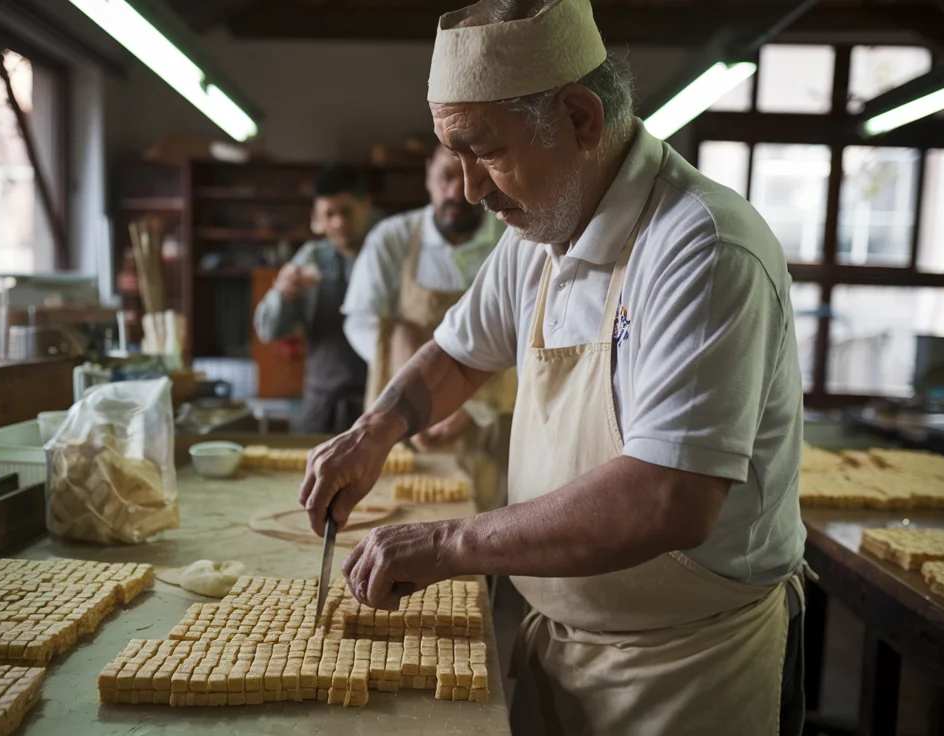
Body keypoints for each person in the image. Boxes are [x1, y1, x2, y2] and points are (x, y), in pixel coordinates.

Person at [297, 1, 807, 734]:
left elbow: (671, 498)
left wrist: (449, 543)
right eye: (455, 158)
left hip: (689, 666)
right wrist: (373, 431)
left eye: (485, 152)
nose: (469, 189)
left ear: (580, 119)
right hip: (561, 643)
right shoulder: (538, 236)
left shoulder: (701, 247)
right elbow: (457, 354)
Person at [342, 144, 507, 449]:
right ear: (429, 174)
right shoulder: (392, 239)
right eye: (447, 176)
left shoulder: (511, 239)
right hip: (402, 418)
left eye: (473, 176)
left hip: (487, 418)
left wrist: (472, 405)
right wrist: (416, 385)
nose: (456, 192)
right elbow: (360, 322)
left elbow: (526, 334)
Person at [253, 165, 374, 435]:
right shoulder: (312, 258)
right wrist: (284, 293)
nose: (338, 223)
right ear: (316, 219)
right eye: (329, 214)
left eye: (346, 212)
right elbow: (268, 330)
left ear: (366, 206)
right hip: (322, 402)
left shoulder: (386, 253)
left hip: (378, 399)